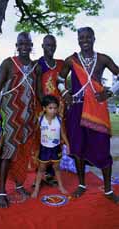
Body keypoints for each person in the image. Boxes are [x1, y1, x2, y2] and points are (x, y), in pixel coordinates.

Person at [57, 27, 119, 203]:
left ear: (93, 38)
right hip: (76, 110)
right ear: (78, 40)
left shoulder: (103, 59)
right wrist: (64, 93)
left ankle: (108, 190)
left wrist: (109, 93)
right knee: (78, 148)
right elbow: (60, 80)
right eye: (81, 38)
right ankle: (82, 185)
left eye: (87, 37)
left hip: (97, 110)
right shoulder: (72, 60)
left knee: (102, 146)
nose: (84, 40)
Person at [0, 32, 38, 208]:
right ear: (16, 45)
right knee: (7, 152)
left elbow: (38, 92)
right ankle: (1, 192)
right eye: (20, 43)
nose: (24, 47)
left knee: (22, 153)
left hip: (27, 117)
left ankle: (20, 184)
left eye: (27, 43)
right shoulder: (9, 63)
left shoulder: (36, 67)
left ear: (31, 46)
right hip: (10, 115)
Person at [36, 34, 65, 186]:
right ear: (42, 46)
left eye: (53, 45)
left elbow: (63, 84)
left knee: (56, 138)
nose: (51, 48)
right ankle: (42, 172)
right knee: (43, 139)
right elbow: (38, 89)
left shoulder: (60, 64)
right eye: (48, 45)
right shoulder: (38, 65)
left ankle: (52, 172)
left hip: (58, 108)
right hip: (45, 108)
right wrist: (45, 107)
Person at [31, 95, 70, 198]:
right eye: (50, 108)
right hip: (44, 148)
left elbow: (63, 134)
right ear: (44, 108)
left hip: (56, 148)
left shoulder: (59, 120)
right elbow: (35, 132)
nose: (53, 111)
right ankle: (36, 188)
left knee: (56, 168)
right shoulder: (40, 119)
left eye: (55, 108)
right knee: (41, 169)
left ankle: (61, 186)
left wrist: (68, 145)